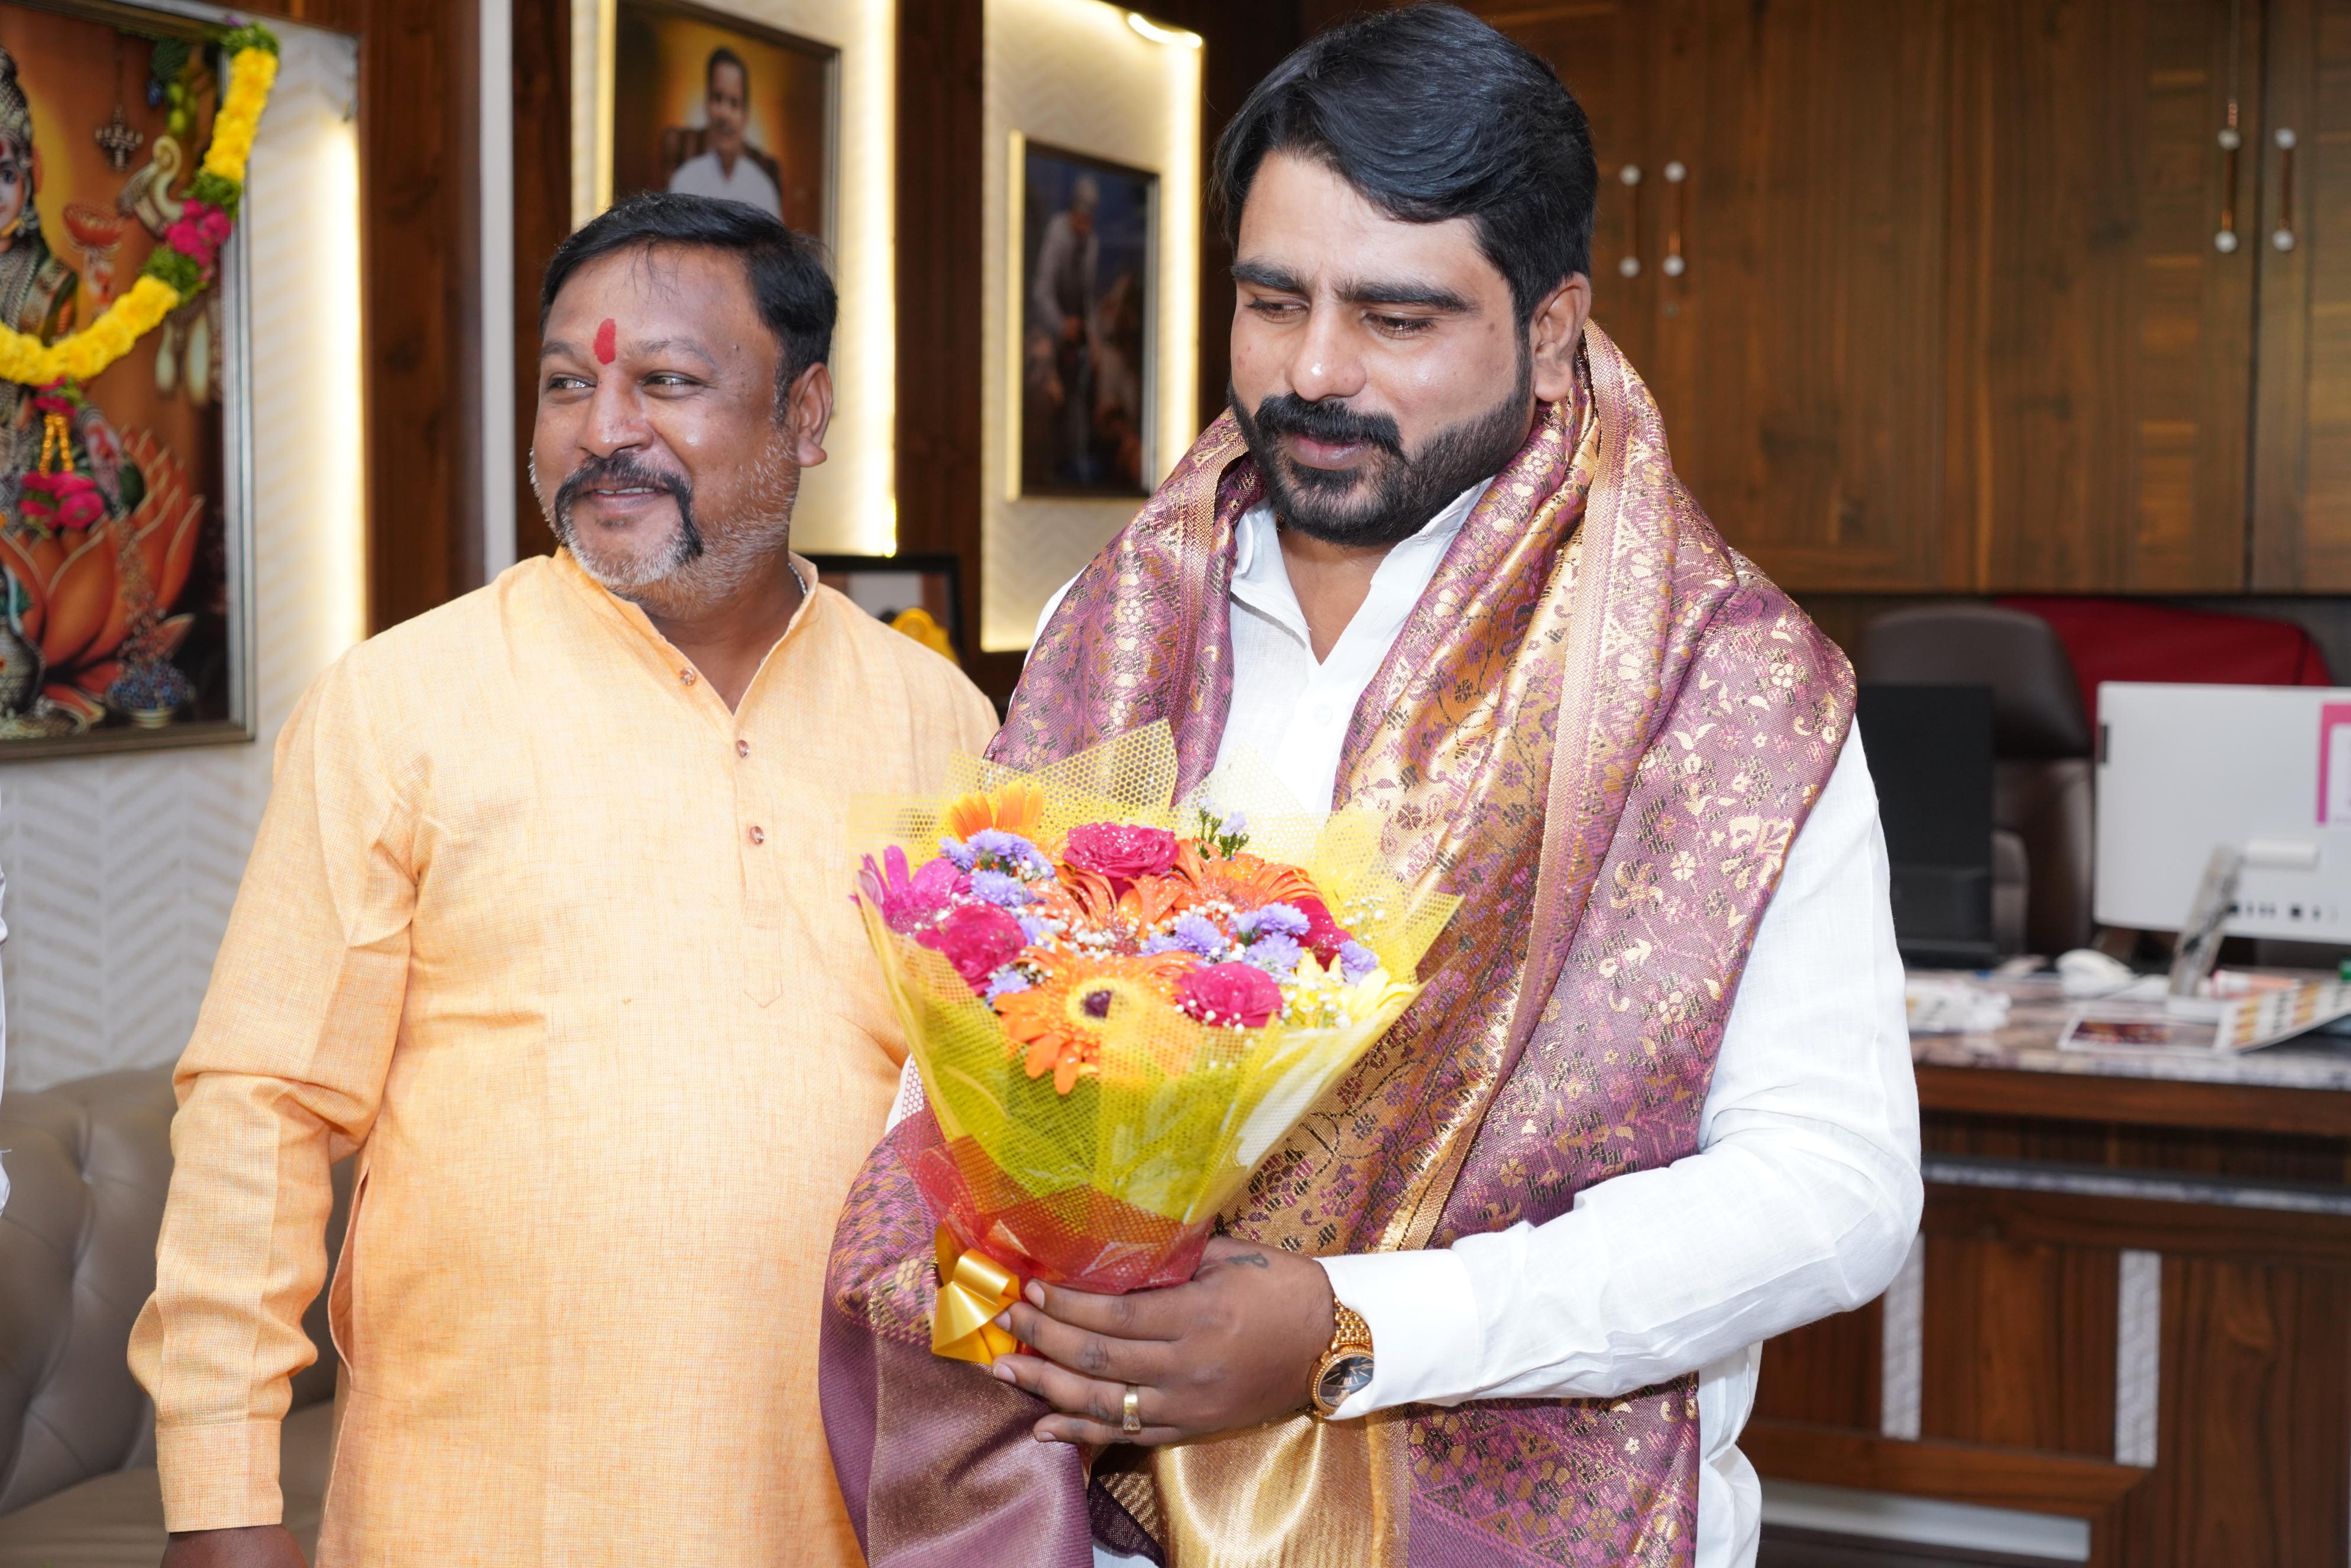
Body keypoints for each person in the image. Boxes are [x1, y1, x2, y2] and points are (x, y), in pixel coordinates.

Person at [820, 9, 1921, 1567]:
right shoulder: (1112, 623)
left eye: (1396, 318)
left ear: (1552, 328)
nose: (1313, 370)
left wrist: (1350, 1327)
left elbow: (1833, 1189)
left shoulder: (1721, 686)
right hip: (1102, 1519)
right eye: (1271, 302)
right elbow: (977, 1042)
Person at [131, 193, 998, 1567]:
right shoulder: (402, 702)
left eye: (667, 381)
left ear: (806, 413)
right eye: (565, 386)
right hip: (483, 1515)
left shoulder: (939, 718)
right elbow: (262, 1104)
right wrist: (221, 1490)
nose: (604, 430)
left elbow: (997, 1126)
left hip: (851, 1509)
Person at [1028, 176, 1100, 484]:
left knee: (1082, 389)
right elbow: (1041, 290)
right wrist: (1059, 324)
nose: (1084, 224)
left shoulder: (1092, 243)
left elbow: (1088, 298)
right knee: (1045, 378)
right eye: (1081, 216)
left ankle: (1074, 462)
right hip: (1047, 326)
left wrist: (1092, 338)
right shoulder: (1057, 232)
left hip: (1074, 336)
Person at [668, 46, 783, 219]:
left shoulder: (763, 188)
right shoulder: (685, 180)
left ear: (746, 115)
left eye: (734, 103)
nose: (725, 114)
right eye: (718, 98)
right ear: (707, 104)